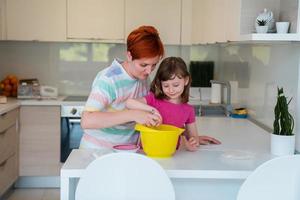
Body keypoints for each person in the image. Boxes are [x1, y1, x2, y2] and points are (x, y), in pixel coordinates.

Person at [80, 26, 164, 149]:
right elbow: (87, 120)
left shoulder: (143, 78)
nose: (149, 71)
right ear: (129, 56)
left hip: (127, 150)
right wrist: (133, 114)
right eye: (143, 65)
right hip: (98, 151)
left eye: (154, 65)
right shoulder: (109, 79)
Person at [126, 57, 221, 151]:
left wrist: (193, 142)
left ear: (186, 80)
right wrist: (152, 110)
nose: (171, 90)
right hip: (149, 151)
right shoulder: (153, 99)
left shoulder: (188, 110)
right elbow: (129, 103)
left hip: (172, 153)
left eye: (176, 85)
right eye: (166, 85)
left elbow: (193, 137)